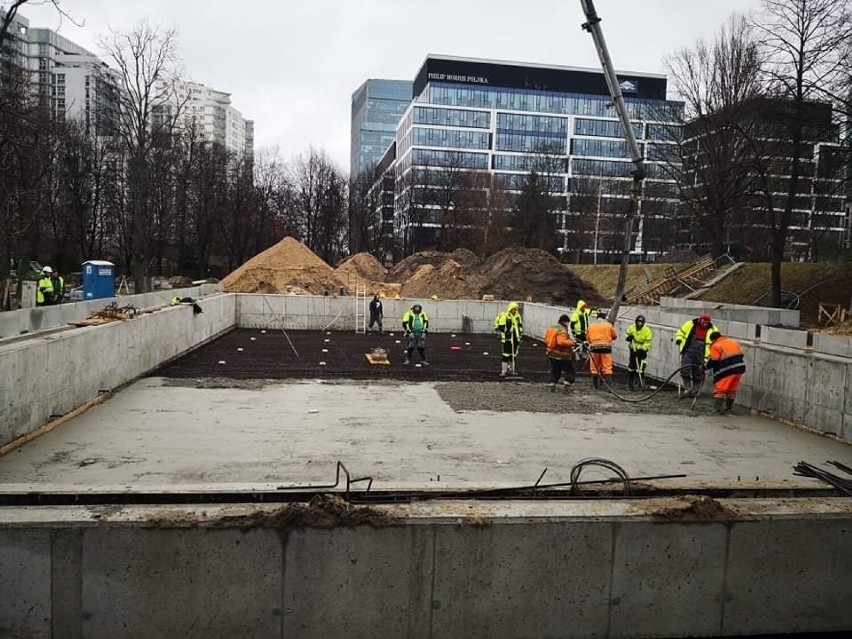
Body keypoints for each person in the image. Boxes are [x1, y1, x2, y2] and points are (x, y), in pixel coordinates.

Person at [675, 312, 716, 397]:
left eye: (706, 323)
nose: (705, 324)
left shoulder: (713, 329)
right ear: (700, 320)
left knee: (698, 373)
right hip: (688, 352)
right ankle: (687, 389)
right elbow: (680, 332)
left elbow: (715, 342)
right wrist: (679, 339)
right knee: (685, 370)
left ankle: (695, 390)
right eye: (703, 322)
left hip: (702, 355)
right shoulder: (689, 324)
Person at [706, 330, 746, 414]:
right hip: (739, 369)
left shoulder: (716, 345)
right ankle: (728, 408)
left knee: (720, 389)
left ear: (713, 340)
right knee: (732, 389)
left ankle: (717, 409)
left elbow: (714, 361)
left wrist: (705, 367)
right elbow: (740, 354)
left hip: (727, 371)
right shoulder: (733, 342)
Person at [545, 314, 575, 392]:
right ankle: (567, 383)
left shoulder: (552, 327)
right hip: (561, 354)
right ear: (565, 322)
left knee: (555, 370)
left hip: (552, 353)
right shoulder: (562, 330)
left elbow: (546, 338)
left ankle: (552, 384)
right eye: (568, 323)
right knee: (570, 370)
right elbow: (561, 342)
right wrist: (572, 342)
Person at [588, 311, 617, 389]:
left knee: (595, 367)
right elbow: (614, 336)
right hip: (606, 348)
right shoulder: (609, 325)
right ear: (604, 318)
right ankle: (609, 386)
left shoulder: (591, 326)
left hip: (594, 348)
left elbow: (588, 338)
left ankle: (596, 385)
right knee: (607, 367)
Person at [494, 301, 523, 377]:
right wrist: (508, 331)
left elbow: (520, 327)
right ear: (510, 309)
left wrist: (521, 337)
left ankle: (511, 370)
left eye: (515, 309)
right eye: (513, 309)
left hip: (515, 339)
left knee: (513, 355)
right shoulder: (505, 316)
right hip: (507, 339)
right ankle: (504, 371)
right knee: (506, 355)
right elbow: (501, 326)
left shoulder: (518, 317)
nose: (514, 310)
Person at [626, 314, 653, 390]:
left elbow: (647, 342)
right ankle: (630, 383)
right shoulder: (632, 327)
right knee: (631, 366)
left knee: (640, 368)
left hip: (642, 351)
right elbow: (627, 334)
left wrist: (641, 349)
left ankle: (640, 383)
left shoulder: (647, 330)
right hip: (633, 349)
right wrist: (629, 338)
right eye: (638, 322)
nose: (639, 323)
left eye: (641, 322)